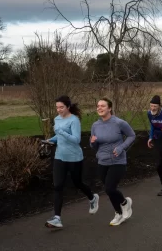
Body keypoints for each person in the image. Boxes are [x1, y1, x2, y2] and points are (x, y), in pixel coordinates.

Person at [45, 95, 99, 229]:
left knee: (77, 183)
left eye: (61, 107)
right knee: (57, 186)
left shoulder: (74, 120)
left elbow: (76, 140)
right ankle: (57, 218)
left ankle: (92, 198)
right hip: (59, 157)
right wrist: (50, 140)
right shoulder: (56, 119)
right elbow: (58, 135)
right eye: (57, 107)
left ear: (68, 107)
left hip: (74, 157)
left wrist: (61, 132)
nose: (59, 110)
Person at [90, 98, 135, 226]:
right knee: (110, 189)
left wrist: (121, 147)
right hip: (102, 161)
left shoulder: (119, 123)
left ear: (109, 108)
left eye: (102, 106)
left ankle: (124, 204)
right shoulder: (95, 125)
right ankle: (119, 212)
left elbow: (132, 135)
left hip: (117, 160)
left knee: (109, 188)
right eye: (98, 106)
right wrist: (92, 143)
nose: (99, 108)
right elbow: (94, 146)